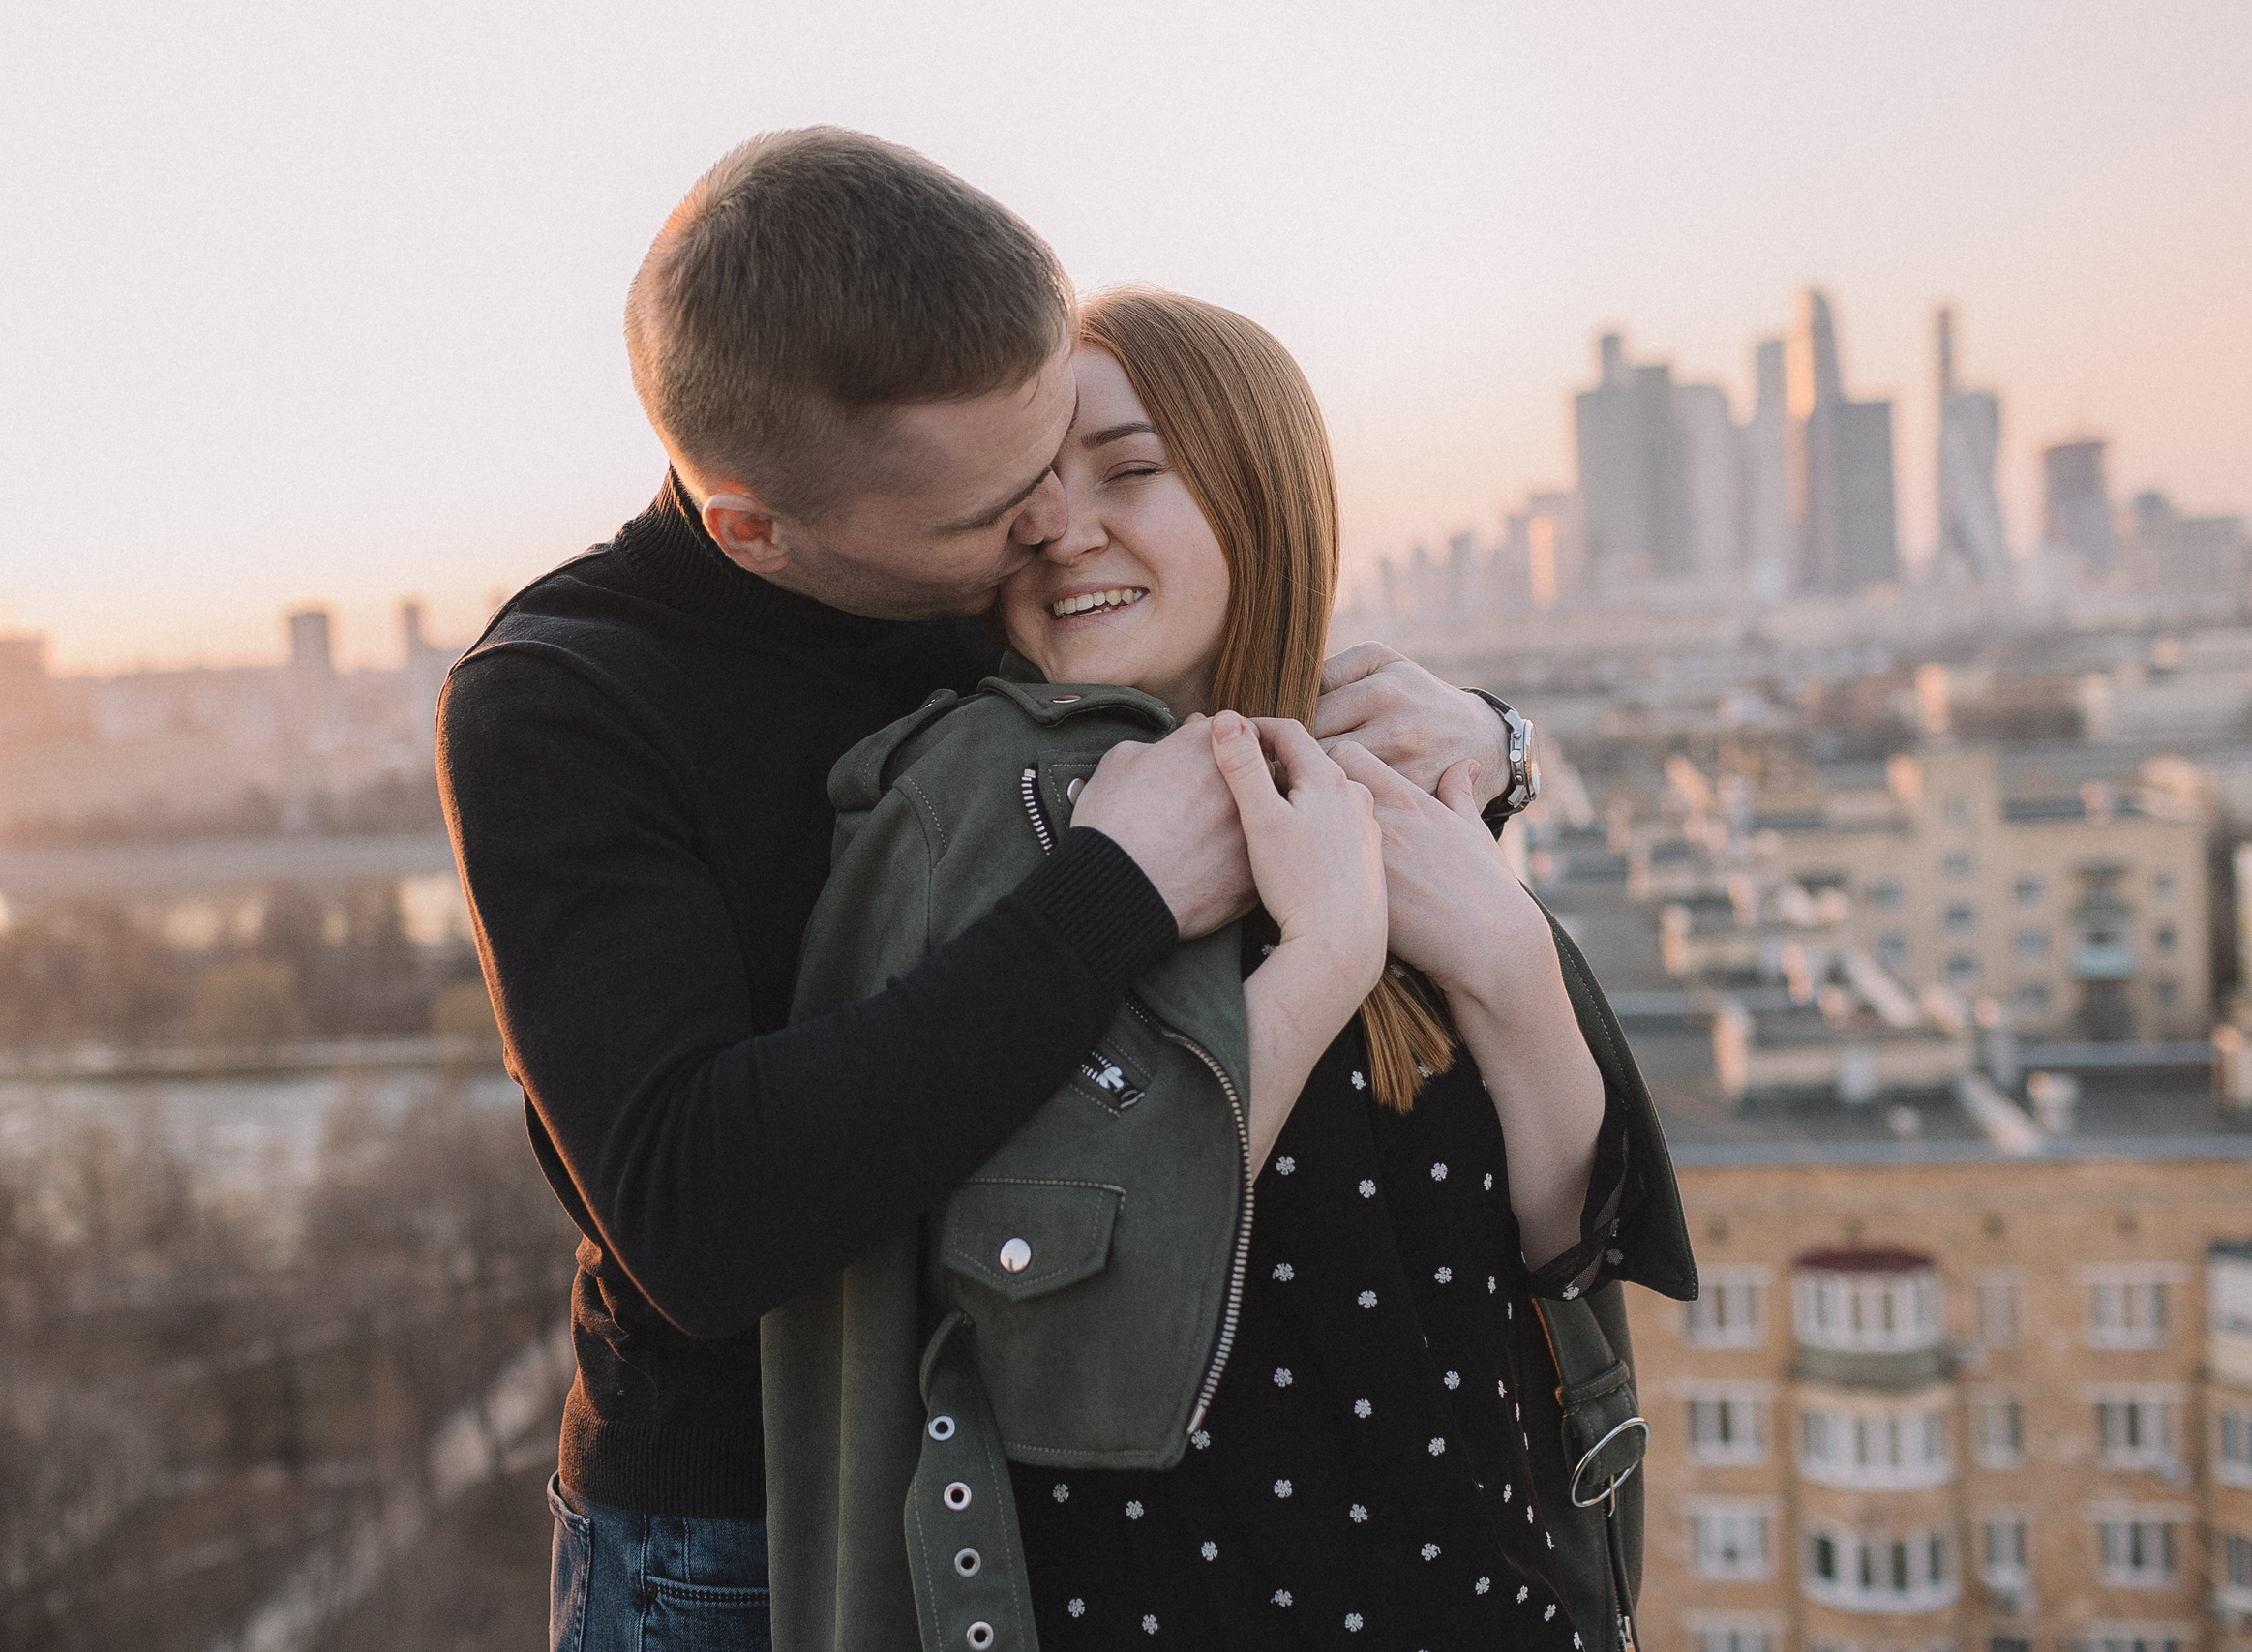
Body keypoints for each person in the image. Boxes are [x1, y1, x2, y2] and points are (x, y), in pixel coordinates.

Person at [435, 131, 1525, 1652]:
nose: (1047, 527)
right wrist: (1112, 896)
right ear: (755, 523)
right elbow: (697, 1218)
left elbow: (1220, 651)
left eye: (1054, 459)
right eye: (991, 511)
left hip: (1032, 1477)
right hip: (740, 1530)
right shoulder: (562, 704)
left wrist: (1488, 741)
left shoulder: (971, 578)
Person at [768, 289, 1690, 1650]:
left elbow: (1565, 1248)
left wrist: (1506, 959)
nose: (1063, 525)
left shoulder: (1372, 789)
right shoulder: (980, 813)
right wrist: (1318, 963)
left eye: (1130, 469)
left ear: (1260, 489)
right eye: (1029, 490)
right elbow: (1055, 1332)